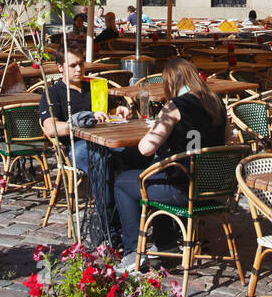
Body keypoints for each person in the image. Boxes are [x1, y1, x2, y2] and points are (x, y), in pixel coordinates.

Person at [113, 58, 227, 267]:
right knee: (155, 173)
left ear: (171, 84)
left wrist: (156, 125)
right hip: (216, 191)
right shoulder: (217, 102)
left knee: (124, 183)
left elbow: (146, 148)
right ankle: (165, 242)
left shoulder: (176, 106)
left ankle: (131, 253)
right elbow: (227, 142)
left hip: (185, 191)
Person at [38, 39, 127, 168]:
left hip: (106, 139)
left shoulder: (94, 86)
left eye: (81, 64)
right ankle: (105, 188)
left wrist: (118, 111)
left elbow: (110, 112)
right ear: (60, 67)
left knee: (135, 152)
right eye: (73, 66)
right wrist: (84, 121)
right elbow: (51, 128)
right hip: (75, 145)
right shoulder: (53, 93)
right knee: (98, 157)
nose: (79, 69)